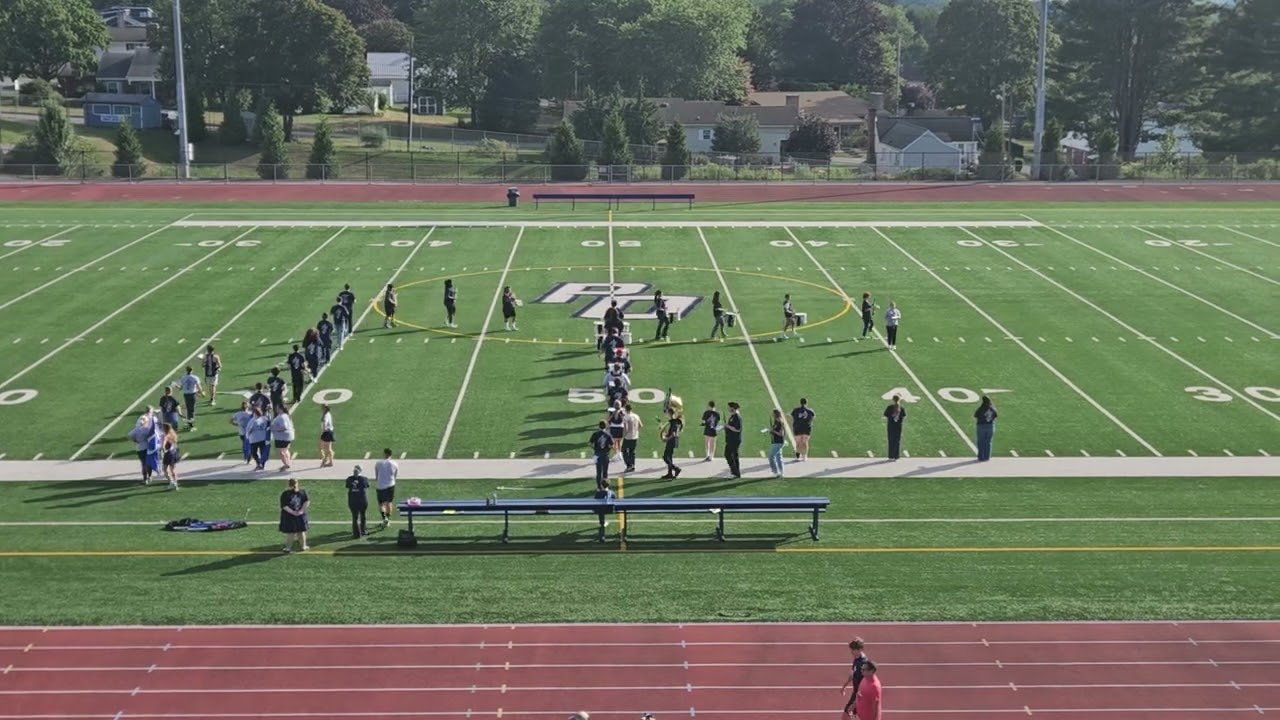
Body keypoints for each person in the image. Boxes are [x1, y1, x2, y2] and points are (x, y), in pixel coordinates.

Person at [279, 477, 310, 553]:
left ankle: (288, 548)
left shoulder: (285, 494)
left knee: (291, 533)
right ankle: (303, 546)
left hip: (289, 516)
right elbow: (306, 501)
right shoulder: (302, 492)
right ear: (297, 483)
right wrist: (301, 511)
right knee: (301, 532)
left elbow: (284, 505)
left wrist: (293, 512)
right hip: (300, 515)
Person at [841, 639, 870, 717]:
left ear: (860, 649)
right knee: (854, 715)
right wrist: (845, 685)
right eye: (851, 649)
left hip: (860, 694)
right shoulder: (857, 659)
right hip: (856, 692)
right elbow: (852, 673)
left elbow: (867, 681)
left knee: (846, 713)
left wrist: (858, 699)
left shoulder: (864, 663)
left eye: (854, 650)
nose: (851, 652)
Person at [374, 448, 399, 528]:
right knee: (389, 502)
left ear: (385, 454)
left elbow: (376, 475)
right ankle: (388, 519)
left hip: (380, 486)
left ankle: (384, 518)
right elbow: (395, 476)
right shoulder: (395, 464)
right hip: (390, 485)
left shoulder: (378, 463)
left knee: (381, 504)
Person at [345, 464, 370, 539]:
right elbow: (367, 486)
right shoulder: (364, 479)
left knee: (355, 517)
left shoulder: (349, 479)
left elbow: (347, 486)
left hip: (353, 500)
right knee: (363, 515)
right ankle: (363, 530)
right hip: (362, 500)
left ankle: (356, 533)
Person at [659, 405, 683, 480]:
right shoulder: (675, 421)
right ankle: (670, 473)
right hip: (673, 441)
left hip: (671, 441)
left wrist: (666, 439)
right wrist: (664, 433)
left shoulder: (673, 422)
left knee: (665, 457)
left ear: (669, 413)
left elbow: (673, 434)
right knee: (669, 457)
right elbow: (670, 433)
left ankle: (676, 469)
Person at [271, 406, 295, 471]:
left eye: (278, 408)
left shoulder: (282, 417)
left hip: (281, 437)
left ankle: (286, 464)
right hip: (288, 436)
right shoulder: (287, 416)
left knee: (281, 452)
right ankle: (288, 463)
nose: (277, 410)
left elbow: (284, 427)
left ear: (281, 409)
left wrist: (275, 429)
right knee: (285, 450)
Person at [247, 406, 271, 471]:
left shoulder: (252, 421)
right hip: (263, 438)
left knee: (254, 453)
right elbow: (268, 425)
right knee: (262, 452)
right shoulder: (265, 419)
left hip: (254, 439)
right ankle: (262, 465)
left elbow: (249, 430)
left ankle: (259, 464)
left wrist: (248, 436)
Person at [974, 396, 998, 461]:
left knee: (980, 442)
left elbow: (975, 415)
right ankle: (987, 457)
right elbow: (996, 415)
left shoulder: (980, 408)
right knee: (988, 442)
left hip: (981, 426)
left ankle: (980, 456)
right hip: (990, 426)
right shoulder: (992, 409)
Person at [589, 420, 613, 485]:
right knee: (605, 472)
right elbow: (611, 445)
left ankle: (599, 486)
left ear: (599, 426)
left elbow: (590, 444)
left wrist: (595, 449)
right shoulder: (608, 434)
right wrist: (608, 449)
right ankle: (605, 486)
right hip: (605, 455)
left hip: (597, 455)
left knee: (598, 472)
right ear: (606, 426)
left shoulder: (595, 434)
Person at [723, 402, 743, 478]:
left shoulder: (737, 417)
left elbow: (738, 429)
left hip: (734, 440)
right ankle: (734, 471)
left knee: (732, 455)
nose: (728, 408)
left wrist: (728, 426)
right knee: (730, 455)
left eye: (729, 407)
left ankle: (735, 473)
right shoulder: (732, 416)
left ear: (732, 408)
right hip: (730, 439)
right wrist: (726, 427)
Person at [621, 403, 642, 473]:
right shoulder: (636, 416)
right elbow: (640, 425)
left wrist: (623, 436)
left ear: (626, 409)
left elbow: (626, 429)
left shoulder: (626, 417)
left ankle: (629, 465)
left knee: (624, 451)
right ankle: (633, 465)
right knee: (632, 451)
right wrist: (635, 430)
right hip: (635, 436)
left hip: (628, 437)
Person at [884, 396, 906, 460]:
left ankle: (891, 455)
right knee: (897, 440)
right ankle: (896, 455)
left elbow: (885, 414)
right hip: (898, 426)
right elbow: (903, 416)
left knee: (891, 440)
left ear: (893, 400)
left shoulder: (890, 407)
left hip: (891, 425)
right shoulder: (901, 408)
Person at [767, 409, 788, 478]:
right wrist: (771, 431)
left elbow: (781, 434)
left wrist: (773, 431)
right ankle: (781, 472)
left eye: (773, 413)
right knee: (778, 457)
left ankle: (775, 471)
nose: (772, 414)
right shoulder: (776, 421)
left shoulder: (779, 422)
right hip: (776, 441)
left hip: (778, 442)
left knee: (771, 456)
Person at [160, 423, 180, 490]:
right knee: (173, 470)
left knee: (164, 469)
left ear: (165, 429)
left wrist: (163, 450)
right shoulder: (173, 434)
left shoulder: (166, 436)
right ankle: (175, 483)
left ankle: (171, 482)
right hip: (174, 453)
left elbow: (163, 446)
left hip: (168, 454)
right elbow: (175, 444)